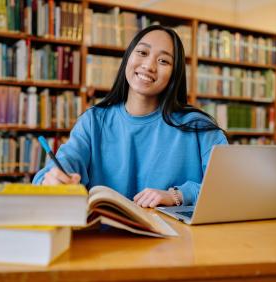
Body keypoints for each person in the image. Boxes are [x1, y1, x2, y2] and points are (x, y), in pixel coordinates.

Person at [32, 25, 228, 207]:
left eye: (163, 61)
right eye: (142, 53)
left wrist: (178, 195)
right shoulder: (93, 122)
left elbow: (229, 189)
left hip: (178, 242)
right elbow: (65, 163)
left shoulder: (199, 127)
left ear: (174, 74)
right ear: (127, 58)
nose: (149, 66)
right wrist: (52, 179)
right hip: (106, 241)